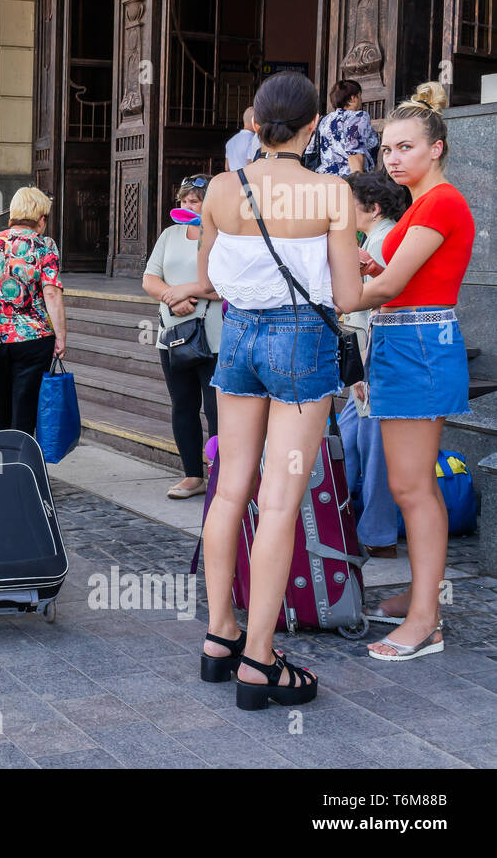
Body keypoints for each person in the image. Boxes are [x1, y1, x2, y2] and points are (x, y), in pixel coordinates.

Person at [195, 71, 361, 709]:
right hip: (300, 343)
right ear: (314, 126)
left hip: (236, 336)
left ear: (255, 124)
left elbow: (210, 276)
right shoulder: (332, 193)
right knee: (281, 500)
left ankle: (219, 635)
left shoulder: (220, 187)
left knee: (231, 486)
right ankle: (260, 661)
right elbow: (345, 297)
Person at [352, 82, 475, 661]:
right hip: (405, 339)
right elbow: (393, 272)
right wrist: (366, 266)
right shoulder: (420, 203)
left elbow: (395, 285)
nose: (393, 158)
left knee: (410, 485)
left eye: (405, 147)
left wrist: (340, 295)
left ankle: (426, 618)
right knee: (412, 483)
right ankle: (422, 595)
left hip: (419, 340)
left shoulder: (442, 201)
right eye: (387, 149)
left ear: (437, 148)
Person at [338, 170, 410, 560]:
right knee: (350, 440)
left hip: (374, 357)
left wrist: (364, 370)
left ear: (374, 208)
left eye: (351, 203)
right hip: (367, 356)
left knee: (372, 447)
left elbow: (382, 308)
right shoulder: (378, 237)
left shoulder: (385, 240)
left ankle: (377, 534)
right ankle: (338, 519)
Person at [142, 173, 223, 498]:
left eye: (196, 201)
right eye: (185, 201)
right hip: (174, 334)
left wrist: (184, 292)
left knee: (216, 409)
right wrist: (171, 298)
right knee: (183, 406)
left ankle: (220, 474)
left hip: (215, 335)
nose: (189, 206)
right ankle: (192, 474)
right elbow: (150, 278)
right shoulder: (170, 235)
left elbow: (228, 286)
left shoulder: (224, 235)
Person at [0, 186, 66, 434]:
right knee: (26, 409)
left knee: (2, 406)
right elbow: (51, 293)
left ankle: (4, 464)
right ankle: (22, 465)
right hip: (33, 338)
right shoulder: (45, 246)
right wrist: (61, 335)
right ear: (41, 219)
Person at [306, 79, 380, 177]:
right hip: (347, 179)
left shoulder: (324, 120)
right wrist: (358, 184)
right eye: (359, 96)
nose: (361, 101)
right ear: (353, 98)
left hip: (324, 179)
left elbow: (310, 150)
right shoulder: (357, 117)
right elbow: (354, 152)